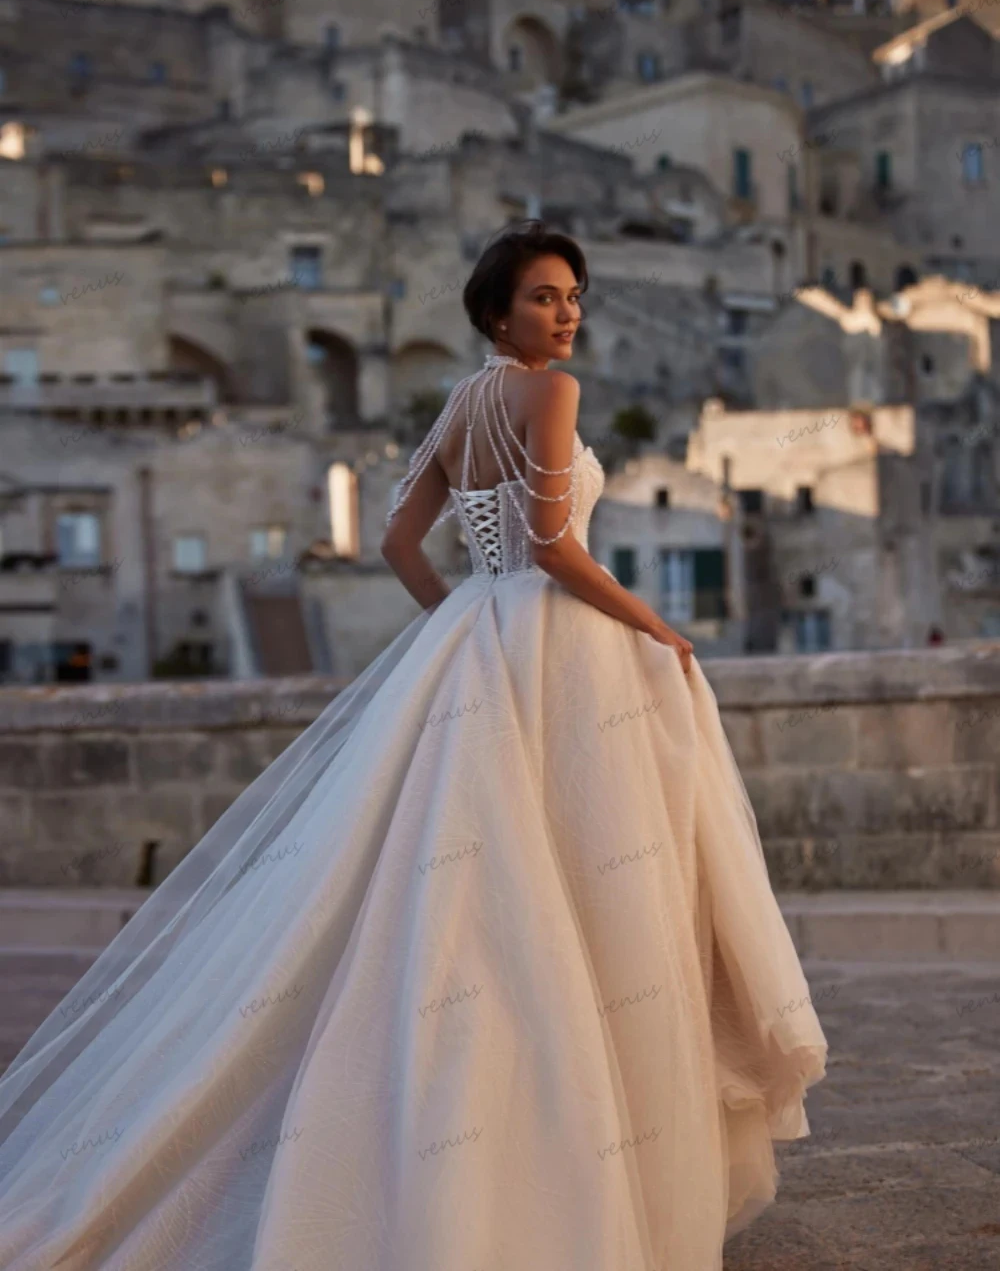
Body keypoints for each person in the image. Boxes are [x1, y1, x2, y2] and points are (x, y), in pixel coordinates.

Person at [0, 222, 826, 1270]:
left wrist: (463, 617)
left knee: (464, 888)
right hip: (560, 646)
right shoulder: (551, 395)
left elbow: (397, 538)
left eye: (572, 294)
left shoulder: (459, 403)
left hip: (477, 640)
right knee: (589, 872)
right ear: (495, 313)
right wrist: (654, 626)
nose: (564, 313)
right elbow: (554, 546)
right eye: (541, 297)